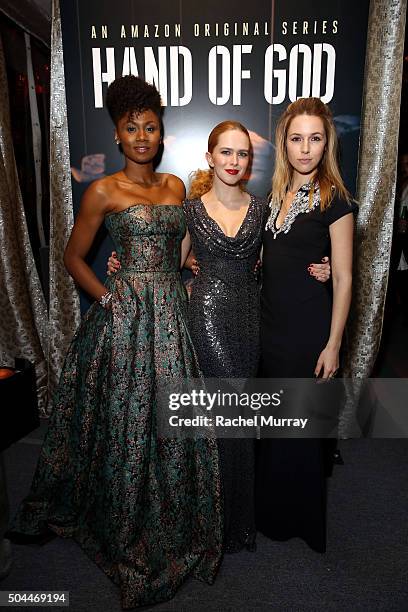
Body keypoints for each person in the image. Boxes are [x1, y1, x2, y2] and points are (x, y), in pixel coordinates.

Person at [9, 76, 222, 609]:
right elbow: (72, 257)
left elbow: (176, 250)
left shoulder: (175, 187)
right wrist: (108, 297)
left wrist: (185, 265)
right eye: (132, 128)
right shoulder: (102, 191)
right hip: (125, 321)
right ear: (118, 135)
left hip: (171, 317)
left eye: (151, 126)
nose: (143, 136)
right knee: (126, 423)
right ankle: (121, 522)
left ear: (161, 132)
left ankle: (176, 522)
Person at [109, 120, 331, 555]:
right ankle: (211, 520)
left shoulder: (264, 210)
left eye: (242, 154)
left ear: (250, 164)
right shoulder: (189, 211)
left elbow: (282, 260)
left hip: (250, 323)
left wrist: (320, 266)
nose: (233, 161)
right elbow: (168, 263)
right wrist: (127, 262)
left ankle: (238, 519)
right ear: (210, 158)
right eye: (225, 153)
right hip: (204, 321)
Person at [256, 97, 357, 553]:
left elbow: (347, 276)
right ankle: (271, 515)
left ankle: (302, 522)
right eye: (297, 138)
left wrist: (334, 343)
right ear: (285, 143)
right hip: (270, 325)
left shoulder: (336, 199)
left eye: (315, 139)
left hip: (307, 328)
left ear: (326, 143)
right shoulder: (274, 195)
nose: (305, 148)